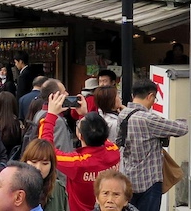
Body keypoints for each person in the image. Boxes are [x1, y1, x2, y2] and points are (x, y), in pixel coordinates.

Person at [43, 89, 120, 211]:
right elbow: (100, 136)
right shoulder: (114, 151)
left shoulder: (78, 163)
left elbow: (46, 150)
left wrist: (51, 115)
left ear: (80, 136)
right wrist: (85, 115)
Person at [117, 80, 188, 211]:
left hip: (128, 178)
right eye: (154, 98)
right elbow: (182, 129)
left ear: (134, 95)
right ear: (150, 96)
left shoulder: (123, 115)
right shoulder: (148, 119)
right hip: (149, 181)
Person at [20, 139, 68, 211]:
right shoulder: (15, 187)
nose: (38, 168)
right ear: (25, 162)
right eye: (34, 162)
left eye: (45, 163)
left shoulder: (58, 189)